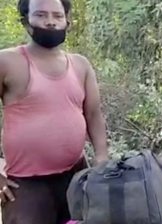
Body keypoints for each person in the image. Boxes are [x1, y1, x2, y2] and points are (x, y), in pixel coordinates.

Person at [0, 0, 109, 223]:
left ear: (67, 21)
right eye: (40, 15)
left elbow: (93, 116)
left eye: (57, 16)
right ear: (26, 22)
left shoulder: (80, 65)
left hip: (77, 177)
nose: (50, 22)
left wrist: (101, 157)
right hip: (26, 186)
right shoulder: (8, 62)